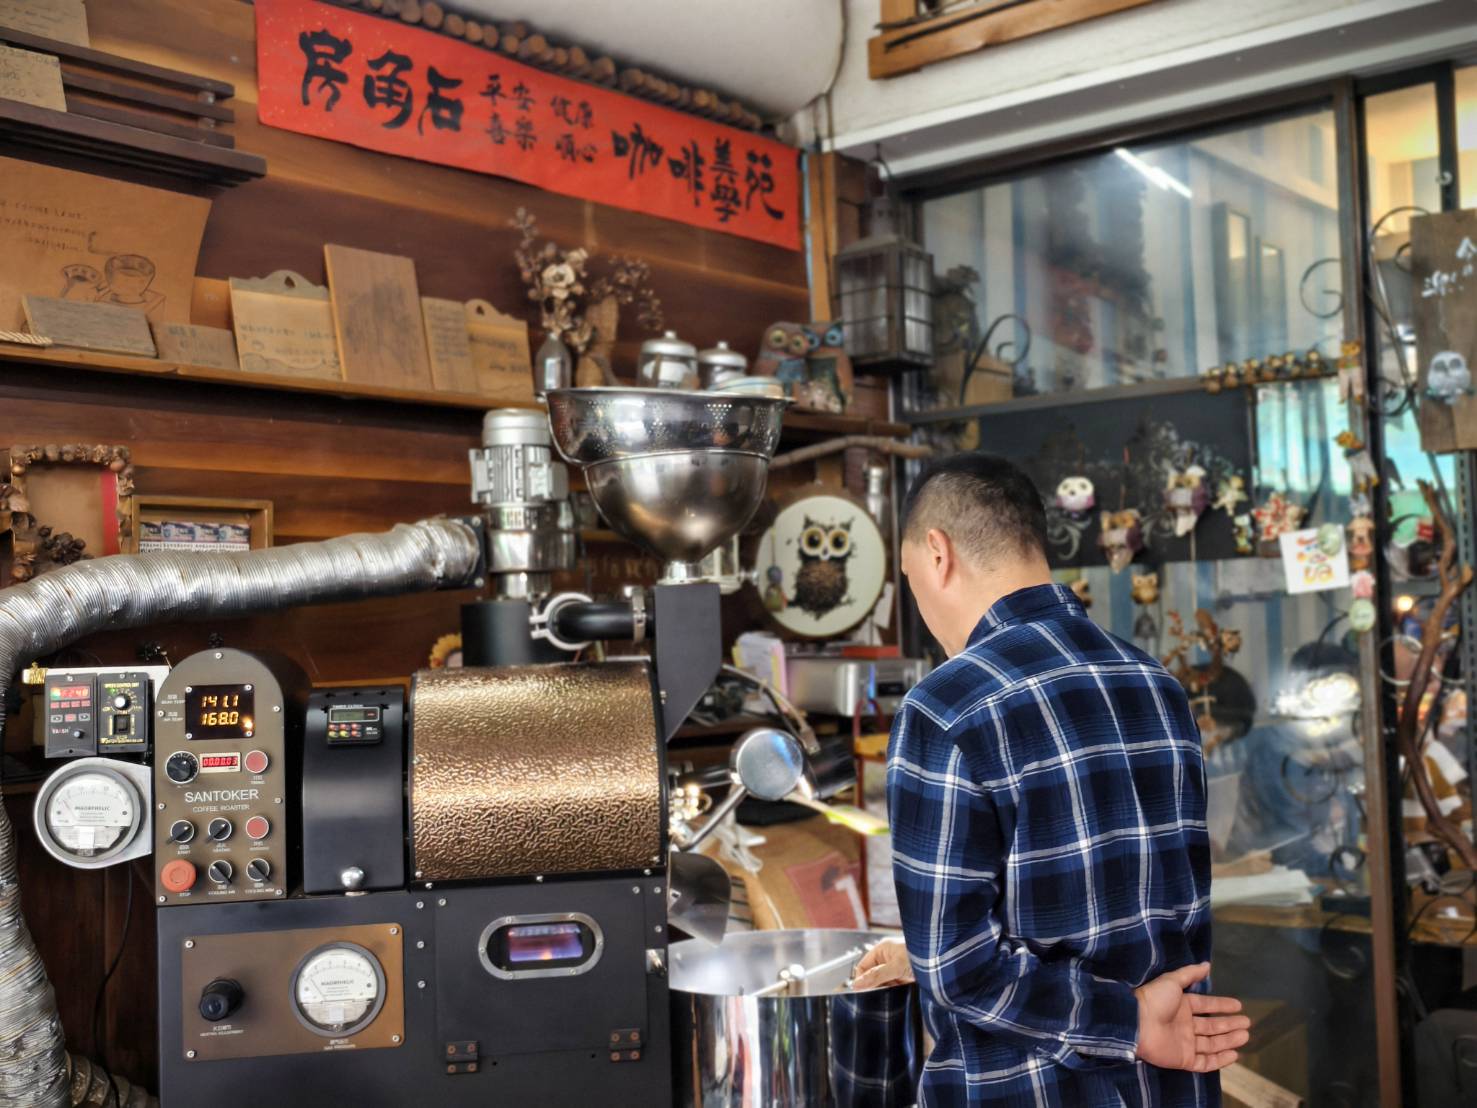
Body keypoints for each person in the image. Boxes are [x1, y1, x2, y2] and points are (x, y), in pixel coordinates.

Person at [852, 453, 1249, 1106]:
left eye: (908, 579)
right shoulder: (1154, 683)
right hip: (1170, 1085)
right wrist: (921, 959)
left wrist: (1122, 1022)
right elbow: (1153, 923)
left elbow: (961, 973)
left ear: (936, 554)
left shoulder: (945, 707)